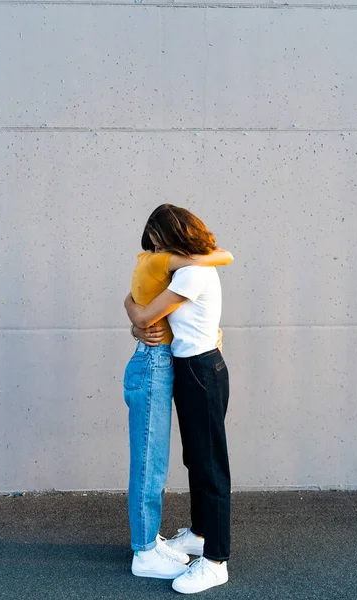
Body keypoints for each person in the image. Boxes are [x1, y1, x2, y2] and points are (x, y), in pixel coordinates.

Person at [125, 204, 232, 594]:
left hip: (202, 371)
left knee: (210, 468)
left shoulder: (192, 271)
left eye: (156, 241)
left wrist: (136, 321)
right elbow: (138, 307)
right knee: (196, 460)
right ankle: (201, 535)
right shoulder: (185, 268)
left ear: (171, 236)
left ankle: (216, 561)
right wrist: (137, 320)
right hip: (191, 370)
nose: (153, 250)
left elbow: (145, 314)